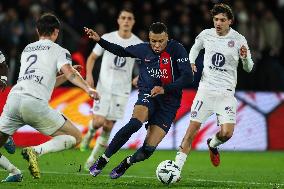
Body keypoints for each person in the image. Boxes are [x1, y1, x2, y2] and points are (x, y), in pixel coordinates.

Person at [84, 22, 193, 179]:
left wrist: (165, 89)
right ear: (149, 38)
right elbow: (120, 51)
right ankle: (103, 160)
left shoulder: (177, 49)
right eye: (153, 41)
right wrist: (100, 40)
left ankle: (126, 163)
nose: (156, 45)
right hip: (148, 95)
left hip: (169, 104)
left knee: (148, 150)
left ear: (167, 38)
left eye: (160, 41)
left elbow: (188, 76)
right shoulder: (143, 49)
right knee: (135, 123)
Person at [0, 13, 99, 180]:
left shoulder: (27, 49)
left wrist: (64, 74)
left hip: (14, 100)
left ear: (37, 30)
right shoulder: (59, 50)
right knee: (76, 137)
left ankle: (14, 171)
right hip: (35, 104)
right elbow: (70, 73)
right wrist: (87, 88)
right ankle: (36, 151)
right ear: (56, 32)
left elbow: (44, 82)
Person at [174, 3, 254, 173]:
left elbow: (248, 68)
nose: (218, 23)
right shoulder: (206, 34)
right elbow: (194, 49)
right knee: (191, 131)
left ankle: (212, 143)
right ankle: (176, 169)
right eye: (216, 19)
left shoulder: (239, 40)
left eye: (222, 20)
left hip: (226, 93)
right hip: (205, 91)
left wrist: (245, 59)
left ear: (230, 21)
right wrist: (191, 62)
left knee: (226, 134)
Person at [79, 9, 143, 170]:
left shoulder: (137, 43)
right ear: (118, 20)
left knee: (108, 126)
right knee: (99, 122)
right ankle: (90, 133)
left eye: (129, 18)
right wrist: (89, 76)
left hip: (122, 91)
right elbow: (92, 57)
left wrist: (139, 77)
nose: (126, 21)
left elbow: (147, 63)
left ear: (133, 22)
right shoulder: (107, 38)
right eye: (123, 18)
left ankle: (92, 158)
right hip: (104, 88)